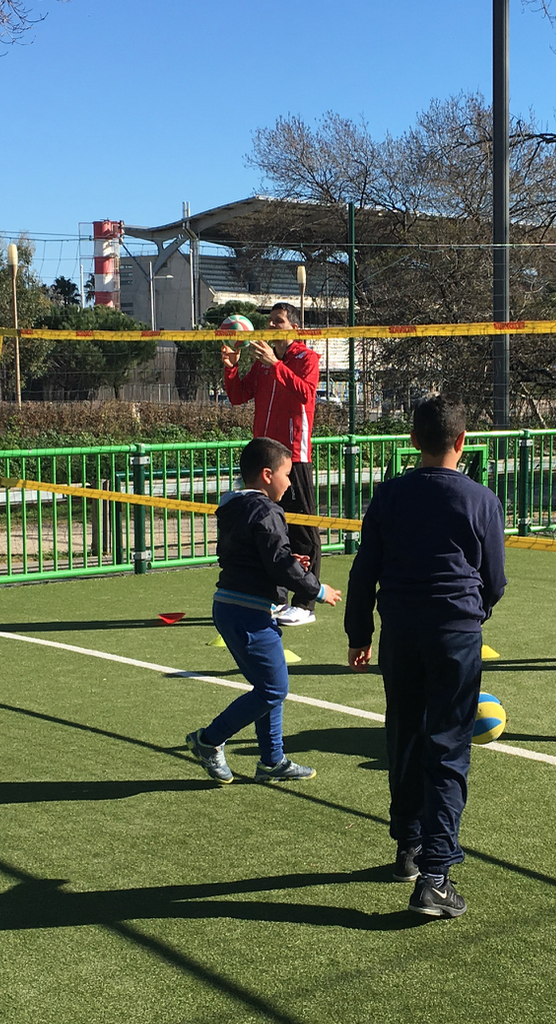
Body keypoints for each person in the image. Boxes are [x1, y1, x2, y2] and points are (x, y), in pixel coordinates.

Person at [347, 396, 506, 919]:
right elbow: (494, 577)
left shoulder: (388, 495)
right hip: (454, 632)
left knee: (406, 736)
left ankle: (409, 848)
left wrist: (358, 631)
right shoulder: (480, 498)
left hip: (401, 632)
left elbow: (363, 568)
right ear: (462, 443)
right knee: (447, 746)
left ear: (412, 441)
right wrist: (472, 612)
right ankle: (436, 875)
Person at [186, 437, 342, 784]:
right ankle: (208, 740)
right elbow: (277, 562)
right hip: (247, 611)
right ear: (267, 474)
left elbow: (259, 556)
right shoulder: (267, 510)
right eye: (287, 474)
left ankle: (272, 760)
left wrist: (289, 563)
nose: (291, 483)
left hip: (232, 605)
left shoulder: (234, 506)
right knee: (273, 689)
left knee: (268, 684)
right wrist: (317, 589)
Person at [221, 302, 321, 626]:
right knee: (268, 529)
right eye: (270, 321)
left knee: (302, 528)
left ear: (293, 326)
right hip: (264, 456)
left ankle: (306, 602)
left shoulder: (306, 358)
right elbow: (238, 395)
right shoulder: (263, 363)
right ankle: (274, 597)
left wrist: (277, 364)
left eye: (278, 321)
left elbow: (306, 394)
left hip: (293, 455)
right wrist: (232, 366)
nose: (272, 326)